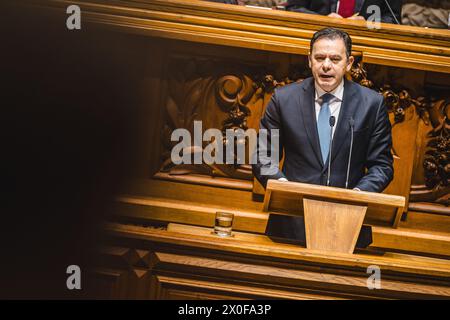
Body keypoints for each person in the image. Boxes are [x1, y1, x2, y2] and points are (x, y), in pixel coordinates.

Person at [252, 27, 394, 193]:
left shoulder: (372, 105)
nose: (326, 66)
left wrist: (358, 195)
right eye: (319, 58)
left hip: (346, 213)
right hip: (292, 213)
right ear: (310, 60)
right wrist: (282, 187)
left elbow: (382, 166)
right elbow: (263, 156)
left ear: (349, 64)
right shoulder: (283, 99)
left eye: (335, 59)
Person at [286, 0, 403, 24]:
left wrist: (366, 23)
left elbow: (393, 18)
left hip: (364, 44)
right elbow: (293, 8)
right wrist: (324, 20)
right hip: (315, 38)